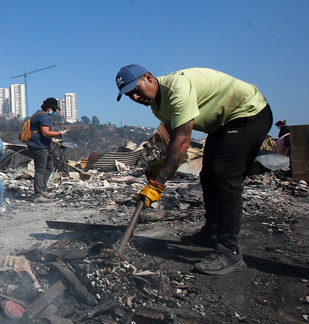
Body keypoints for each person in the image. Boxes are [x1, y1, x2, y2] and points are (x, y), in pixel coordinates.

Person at [116, 64, 272, 275]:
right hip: (222, 124)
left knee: (225, 176)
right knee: (208, 175)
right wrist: (163, 164)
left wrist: (157, 185)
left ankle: (229, 252)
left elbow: (182, 143)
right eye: (129, 95)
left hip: (248, 112)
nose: (135, 97)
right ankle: (212, 233)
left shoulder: (177, 89)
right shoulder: (157, 106)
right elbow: (173, 140)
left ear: (149, 78)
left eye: (136, 89)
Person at [26, 97, 68, 203]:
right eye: (53, 109)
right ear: (49, 108)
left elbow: (41, 133)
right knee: (40, 169)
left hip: (37, 144)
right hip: (39, 146)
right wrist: (60, 133)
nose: (54, 112)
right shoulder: (43, 116)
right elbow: (45, 133)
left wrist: (53, 140)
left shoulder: (38, 114)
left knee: (50, 166)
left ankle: (43, 189)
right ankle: (38, 195)